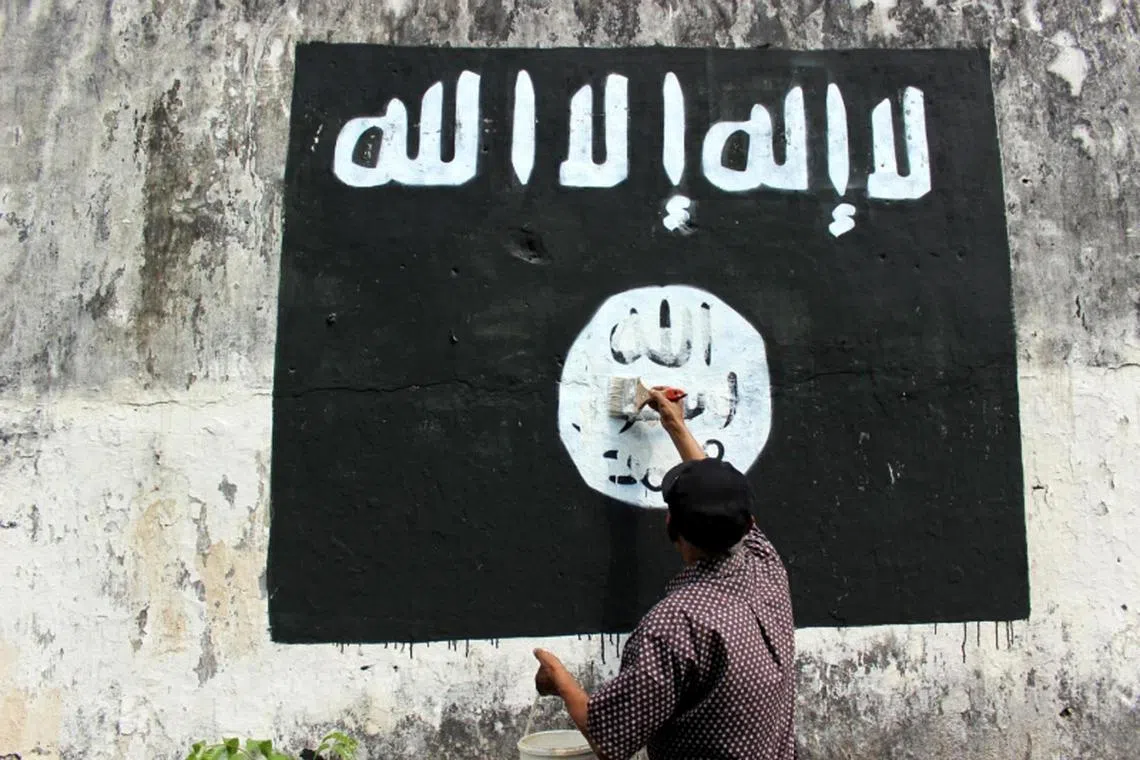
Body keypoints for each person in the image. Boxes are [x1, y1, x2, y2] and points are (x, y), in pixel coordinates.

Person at [533, 387, 796, 760]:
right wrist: (675, 425)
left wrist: (560, 680)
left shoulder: (676, 624)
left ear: (670, 523)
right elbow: (721, 497)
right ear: (748, 524)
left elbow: (609, 739)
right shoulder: (765, 568)